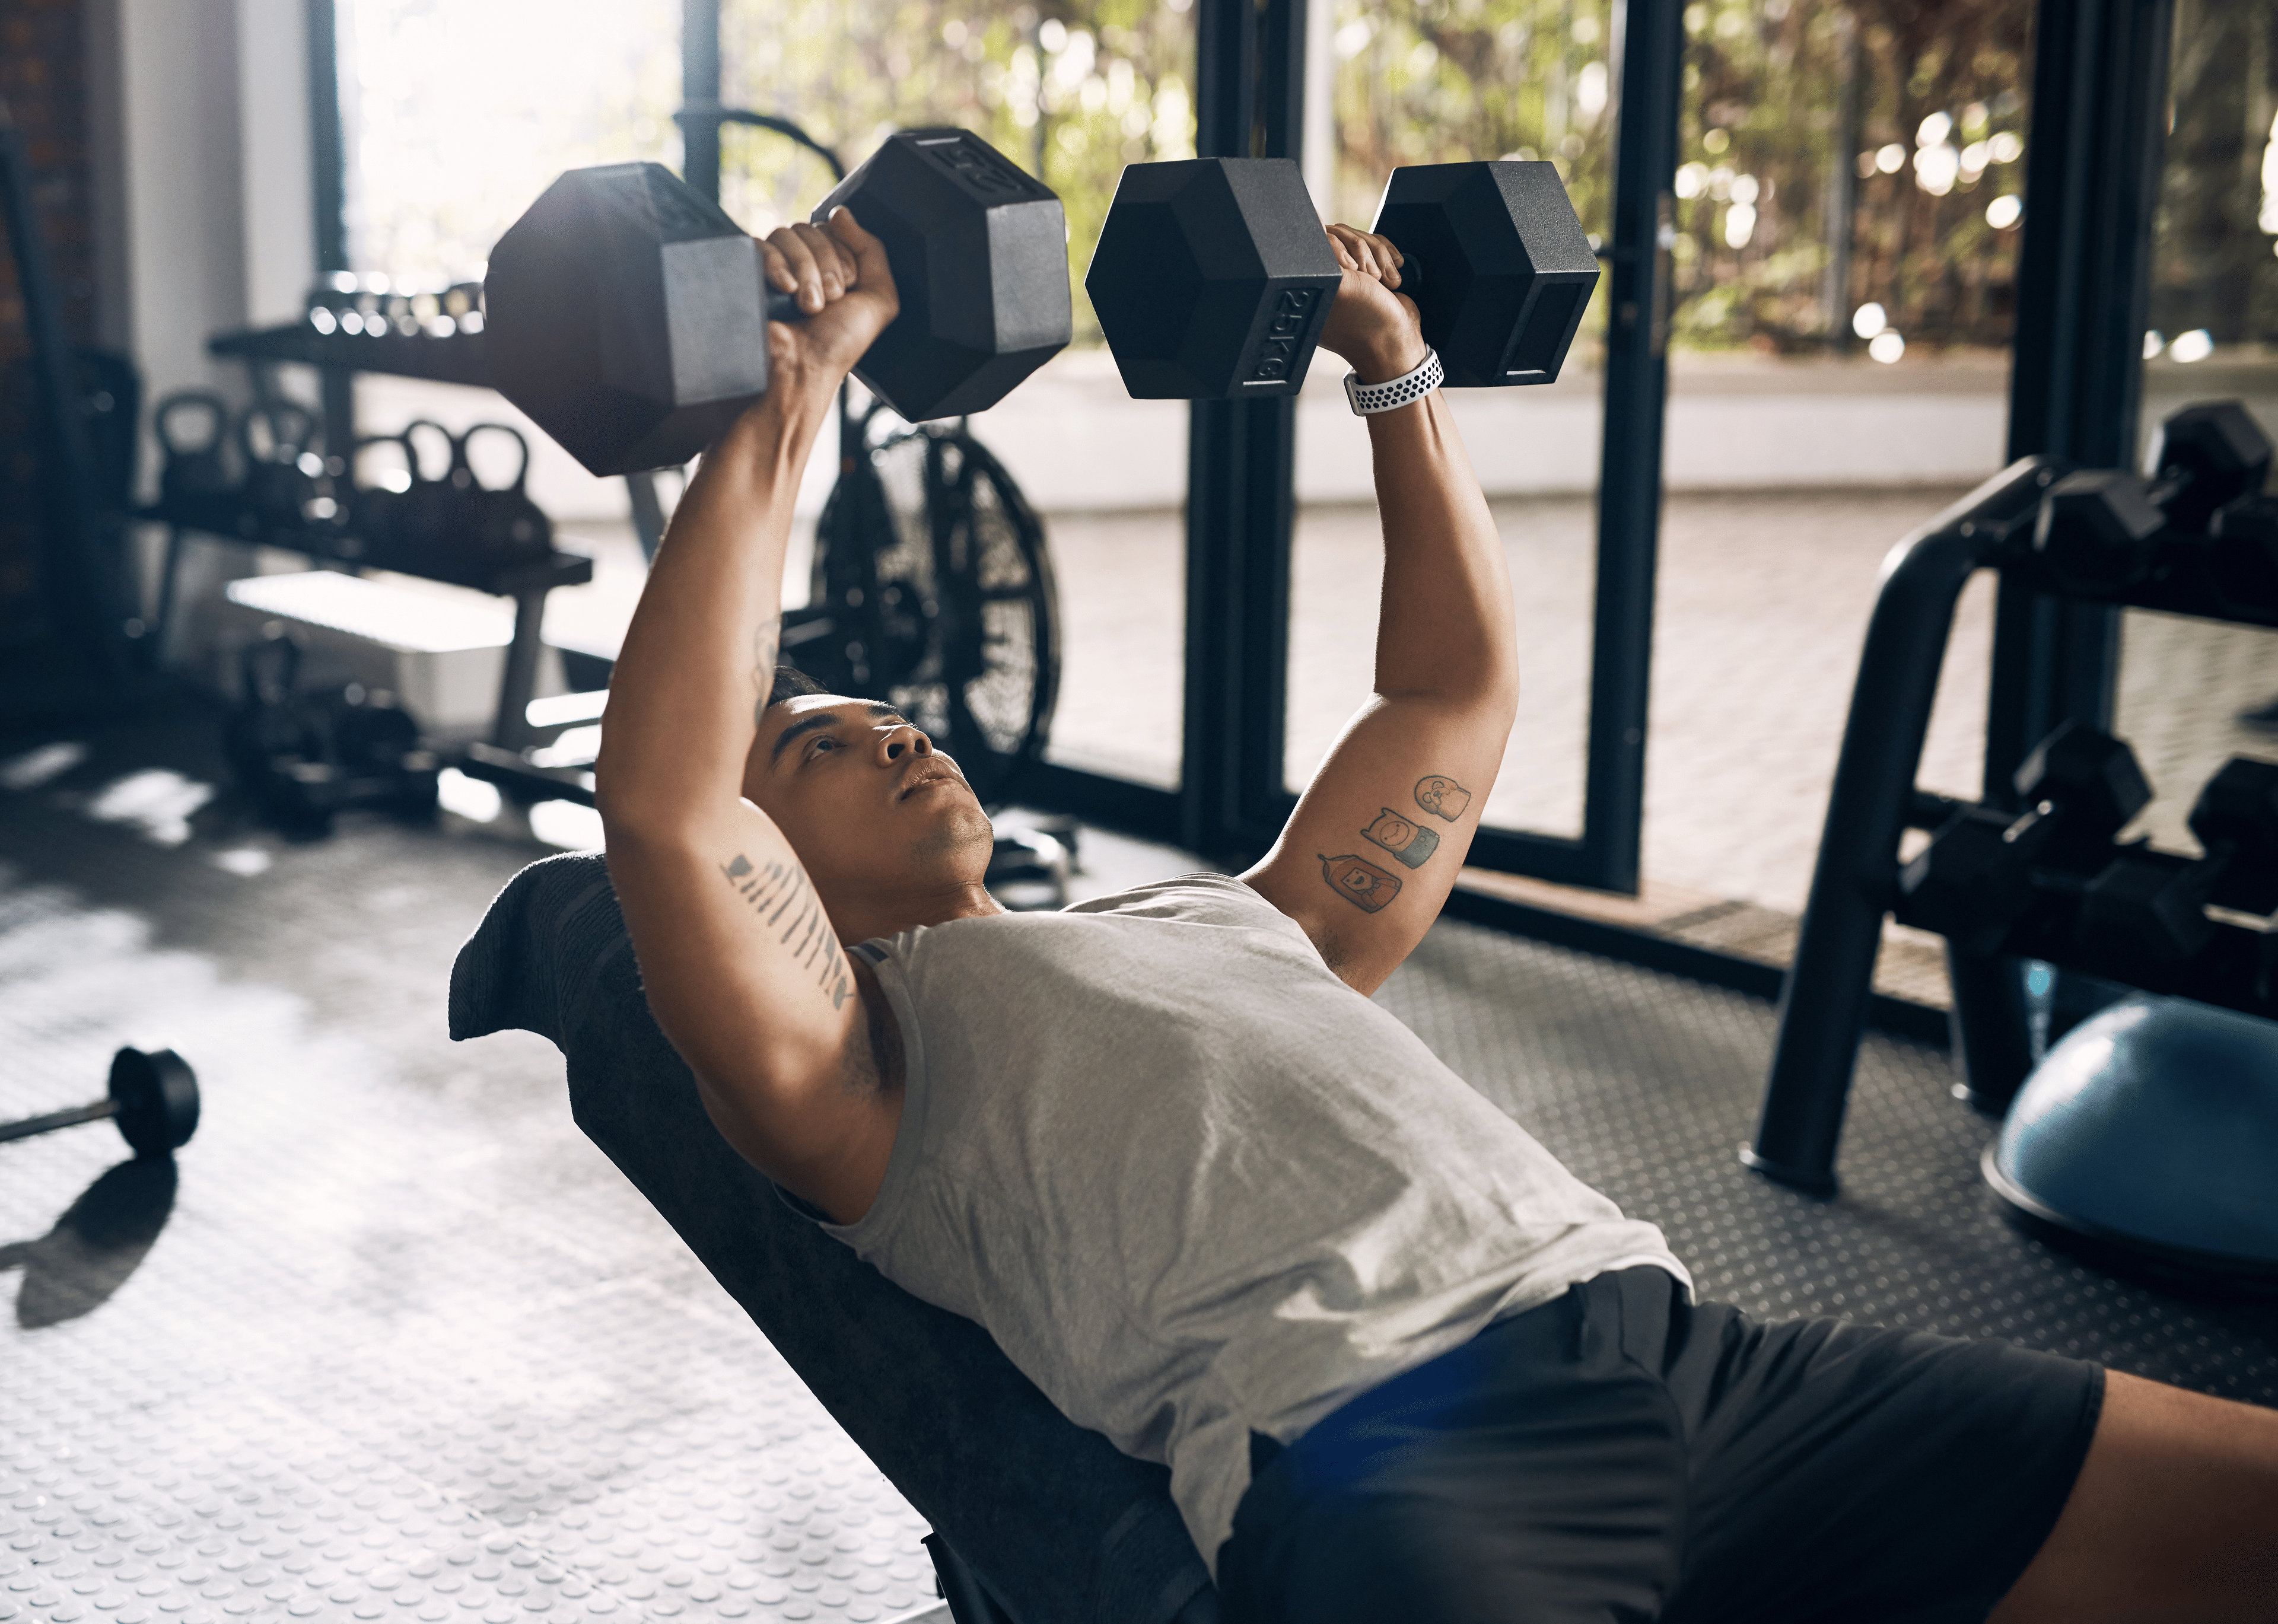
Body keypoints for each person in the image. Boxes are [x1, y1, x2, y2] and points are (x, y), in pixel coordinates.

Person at [591, 203, 2278, 1623]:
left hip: (1696, 1364)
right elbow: (669, 808)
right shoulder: (860, 1073)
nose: (894, 726)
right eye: (820, 743)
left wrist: (1389, 360)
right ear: (774, 875)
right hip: (1398, 1460)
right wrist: (793, 392)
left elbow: (1451, 690)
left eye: (888, 714)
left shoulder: (1237, 922)